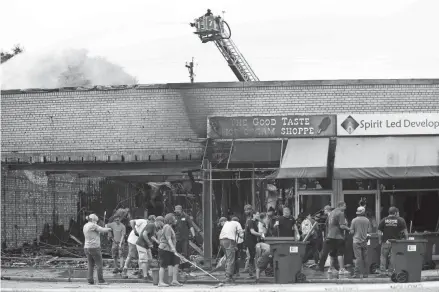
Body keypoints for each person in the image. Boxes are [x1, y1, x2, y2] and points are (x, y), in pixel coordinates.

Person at [378, 206, 408, 276]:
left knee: (383, 256)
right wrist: (407, 240)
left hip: (386, 242)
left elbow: (379, 232)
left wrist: (379, 240)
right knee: (393, 256)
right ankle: (391, 272)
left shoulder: (383, 220)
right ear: (395, 213)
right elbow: (405, 232)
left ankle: (382, 271)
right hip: (395, 242)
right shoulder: (400, 220)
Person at [83, 214, 112, 285]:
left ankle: (90, 280)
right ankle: (101, 280)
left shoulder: (85, 225)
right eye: (96, 221)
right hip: (94, 247)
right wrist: (109, 228)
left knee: (90, 264)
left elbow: (97, 231)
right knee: (99, 264)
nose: (96, 222)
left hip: (86, 247)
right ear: (93, 220)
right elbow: (103, 230)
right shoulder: (93, 225)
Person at [136, 216, 164, 281]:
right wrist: (149, 243)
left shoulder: (154, 227)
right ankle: (145, 276)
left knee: (150, 260)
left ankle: (146, 273)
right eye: (162, 222)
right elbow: (144, 234)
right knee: (144, 260)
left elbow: (151, 236)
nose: (163, 224)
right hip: (141, 245)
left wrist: (157, 241)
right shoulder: (151, 225)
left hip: (146, 246)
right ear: (159, 221)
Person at [158, 213, 182, 287]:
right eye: (174, 218)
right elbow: (168, 239)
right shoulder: (167, 227)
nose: (176, 220)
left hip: (170, 249)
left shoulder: (170, 227)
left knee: (176, 261)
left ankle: (174, 280)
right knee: (163, 265)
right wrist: (173, 248)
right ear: (170, 220)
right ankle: (160, 282)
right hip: (165, 248)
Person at [327, 202, 351, 275]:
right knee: (340, 253)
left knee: (332, 253)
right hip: (338, 236)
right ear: (340, 206)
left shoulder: (331, 213)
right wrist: (349, 229)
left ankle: (331, 268)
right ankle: (342, 269)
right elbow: (342, 226)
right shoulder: (340, 213)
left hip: (330, 235)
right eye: (344, 206)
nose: (345, 208)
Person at [121, 215, 148, 279]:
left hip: (140, 242)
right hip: (133, 240)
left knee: (140, 256)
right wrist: (135, 230)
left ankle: (140, 271)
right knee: (130, 255)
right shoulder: (143, 221)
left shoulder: (150, 226)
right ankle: (124, 270)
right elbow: (131, 221)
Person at [219, 216, 244, 283]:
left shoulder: (227, 223)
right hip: (229, 241)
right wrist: (242, 234)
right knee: (231, 259)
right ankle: (228, 277)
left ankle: (228, 274)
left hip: (221, 240)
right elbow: (241, 234)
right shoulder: (237, 223)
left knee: (228, 258)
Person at [350, 206, 372, 278]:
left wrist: (351, 231)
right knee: (365, 257)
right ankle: (366, 274)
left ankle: (357, 274)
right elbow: (369, 231)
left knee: (358, 258)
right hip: (364, 241)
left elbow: (352, 231)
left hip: (356, 241)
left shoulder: (354, 220)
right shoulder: (367, 220)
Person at [174, 205, 195, 271]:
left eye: (178, 211)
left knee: (185, 252)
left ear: (181, 210)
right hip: (176, 238)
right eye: (176, 211)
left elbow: (191, 226)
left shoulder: (186, 217)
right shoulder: (174, 217)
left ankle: (186, 266)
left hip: (184, 238)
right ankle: (179, 267)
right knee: (178, 253)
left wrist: (193, 235)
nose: (176, 212)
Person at [244, 210, 264, 278]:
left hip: (253, 240)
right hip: (250, 241)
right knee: (252, 256)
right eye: (257, 214)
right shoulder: (250, 221)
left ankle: (252, 271)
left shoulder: (255, 222)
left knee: (253, 256)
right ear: (253, 215)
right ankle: (251, 271)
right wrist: (260, 235)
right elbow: (252, 231)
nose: (258, 215)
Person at [316, 205, 334, 272]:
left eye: (325, 210)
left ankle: (321, 267)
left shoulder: (330, 217)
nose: (324, 212)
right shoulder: (330, 216)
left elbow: (329, 227)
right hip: (330, 237)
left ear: (327, 210)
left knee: (325, 252)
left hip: (328, 237)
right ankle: (324, 267)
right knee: (329, 252)